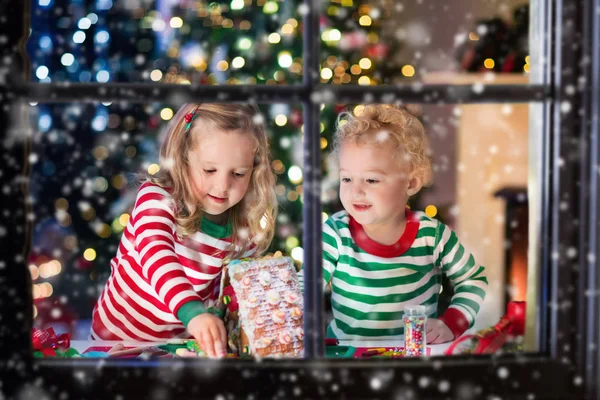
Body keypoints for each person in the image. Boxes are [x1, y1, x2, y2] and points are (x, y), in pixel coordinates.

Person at [90, 103, 277, 357]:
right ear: (183, 158)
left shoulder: (246, 230)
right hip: (118, 339)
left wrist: (218, 317)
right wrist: (194, 313)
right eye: (209, 170)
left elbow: (229, 292)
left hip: (180, 347)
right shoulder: (156, 199)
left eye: (238, 173)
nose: (222, 186)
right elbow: (157, 257)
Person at [306, 104, 488, 344]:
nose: (355, 191)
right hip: (347, 356)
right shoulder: (335, 233)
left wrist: (451, 324)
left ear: (410, 184)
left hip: (410, 356)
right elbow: (305, 285)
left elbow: (473, 280)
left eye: (371, 179)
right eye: (346, 178)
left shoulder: (431, 235)